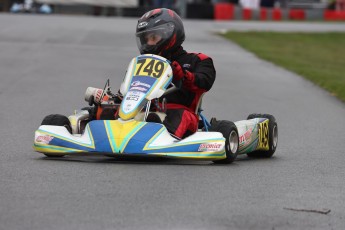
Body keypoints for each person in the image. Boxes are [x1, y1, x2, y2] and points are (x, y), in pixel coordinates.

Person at [134, 8, 216, 138]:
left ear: (170, 33)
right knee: (108, 111)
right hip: (146, 110)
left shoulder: (197, 60)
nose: (149, 43)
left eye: (153, 37)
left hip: (182, 113)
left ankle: (159, 136)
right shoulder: (143, 64)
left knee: (177, 114)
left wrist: (182, 75)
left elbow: (204, 82)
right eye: (146, 39)